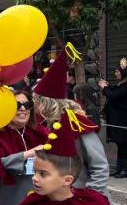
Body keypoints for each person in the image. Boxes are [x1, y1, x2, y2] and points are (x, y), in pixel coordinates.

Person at [32, 45, 108, 196]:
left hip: (82, 199)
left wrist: (89, 196)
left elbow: (100, 167)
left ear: (46, 102)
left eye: (36, 101)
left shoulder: (76, 123)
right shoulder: (46, 124)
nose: (34, 106)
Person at [99, 61, 127, 178]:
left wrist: (105, 89)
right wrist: (108, 86)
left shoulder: (125, 86)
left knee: (125, 145)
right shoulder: (121, 84)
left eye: (117, 71)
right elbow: (114, 91)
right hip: (117, 120)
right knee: (120, 145)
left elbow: (115, 96)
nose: (115, 73)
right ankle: (119, 167)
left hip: (123, 120)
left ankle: (125, 169)